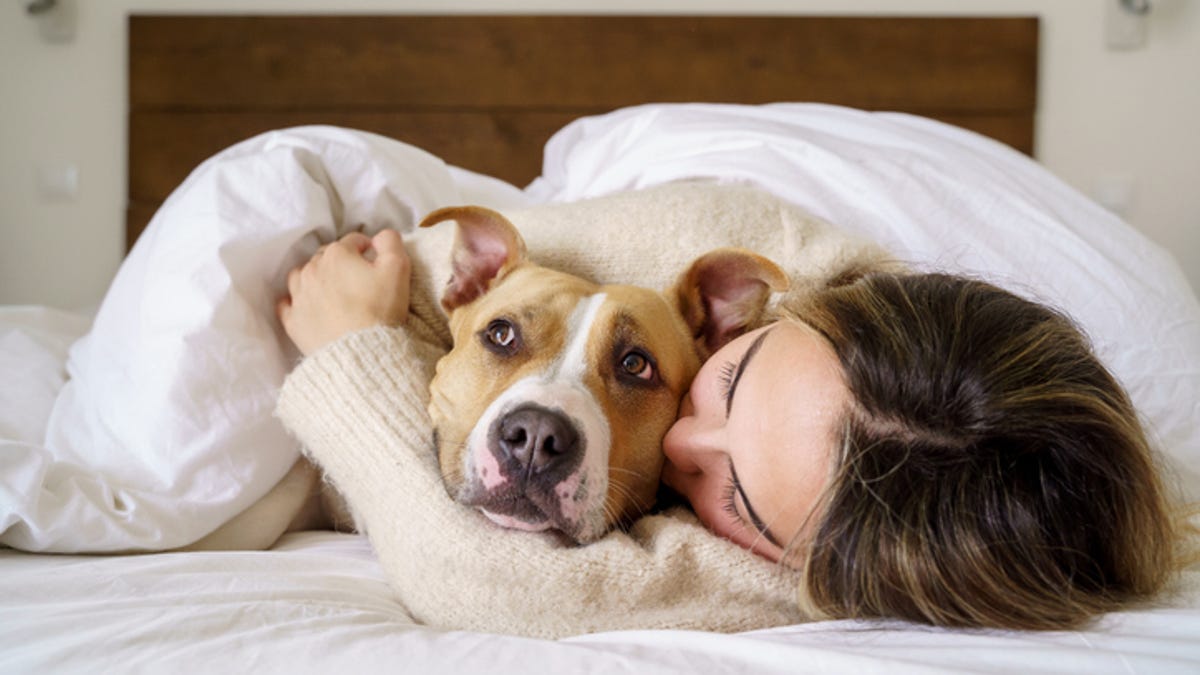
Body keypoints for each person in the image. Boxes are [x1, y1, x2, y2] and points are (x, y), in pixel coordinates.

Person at [276, 228, 1181, 638]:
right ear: (737, 322)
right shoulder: (761, 264)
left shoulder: (820, 566)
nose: (678, 445)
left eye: (735, 496)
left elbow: (476, 580)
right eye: (731, 379)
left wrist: (353, 352)